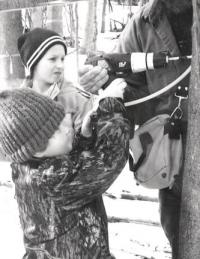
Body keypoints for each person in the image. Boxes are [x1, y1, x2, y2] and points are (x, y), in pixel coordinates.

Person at [78, 0, 192, 258]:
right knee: (182, 239)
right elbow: (132, 95)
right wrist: (104, 80)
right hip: (175, 160)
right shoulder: (144, 23)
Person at [0, 87, 130, 259]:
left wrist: (83, 139)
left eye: (61, 118)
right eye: (56, 130)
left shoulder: (31, 165)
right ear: (36, 149)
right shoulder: (50, 178)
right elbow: (107, 160)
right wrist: (111, 108)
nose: (67, 128)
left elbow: (71, 164)